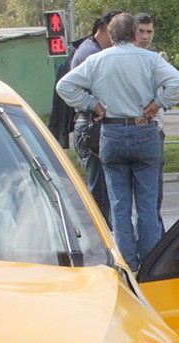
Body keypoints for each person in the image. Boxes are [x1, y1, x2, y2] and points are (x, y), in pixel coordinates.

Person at [57, 12, 179, 272]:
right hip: (145, 131)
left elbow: (65, 86)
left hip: (112, 132)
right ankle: (150, 262)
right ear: (134, 34)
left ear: (112, 34)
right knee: (147, 203)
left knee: (119, 203)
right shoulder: (150, 59)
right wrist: (157, 104)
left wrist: (92, 105)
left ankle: (126, 261)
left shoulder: (97, 60)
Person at [65, 9, 123, 226]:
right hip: (91, 126)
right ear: (106, 27)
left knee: (102, 191)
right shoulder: (92, 53)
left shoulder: (91, 49)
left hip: (89, 125)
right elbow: (69, 87)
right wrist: (96, 105)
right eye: (118, 29)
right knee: (99, 194)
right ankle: (102, 245)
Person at [135, 12, 166, 232]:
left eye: (149, 32)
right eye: (141, 31)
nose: (146, 36)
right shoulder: (126, 59)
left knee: (154, 193)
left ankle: (153, 237)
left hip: (155, 129)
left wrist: (158, 103)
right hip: (132, 128)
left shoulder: (156, 60)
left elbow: (177, 85)